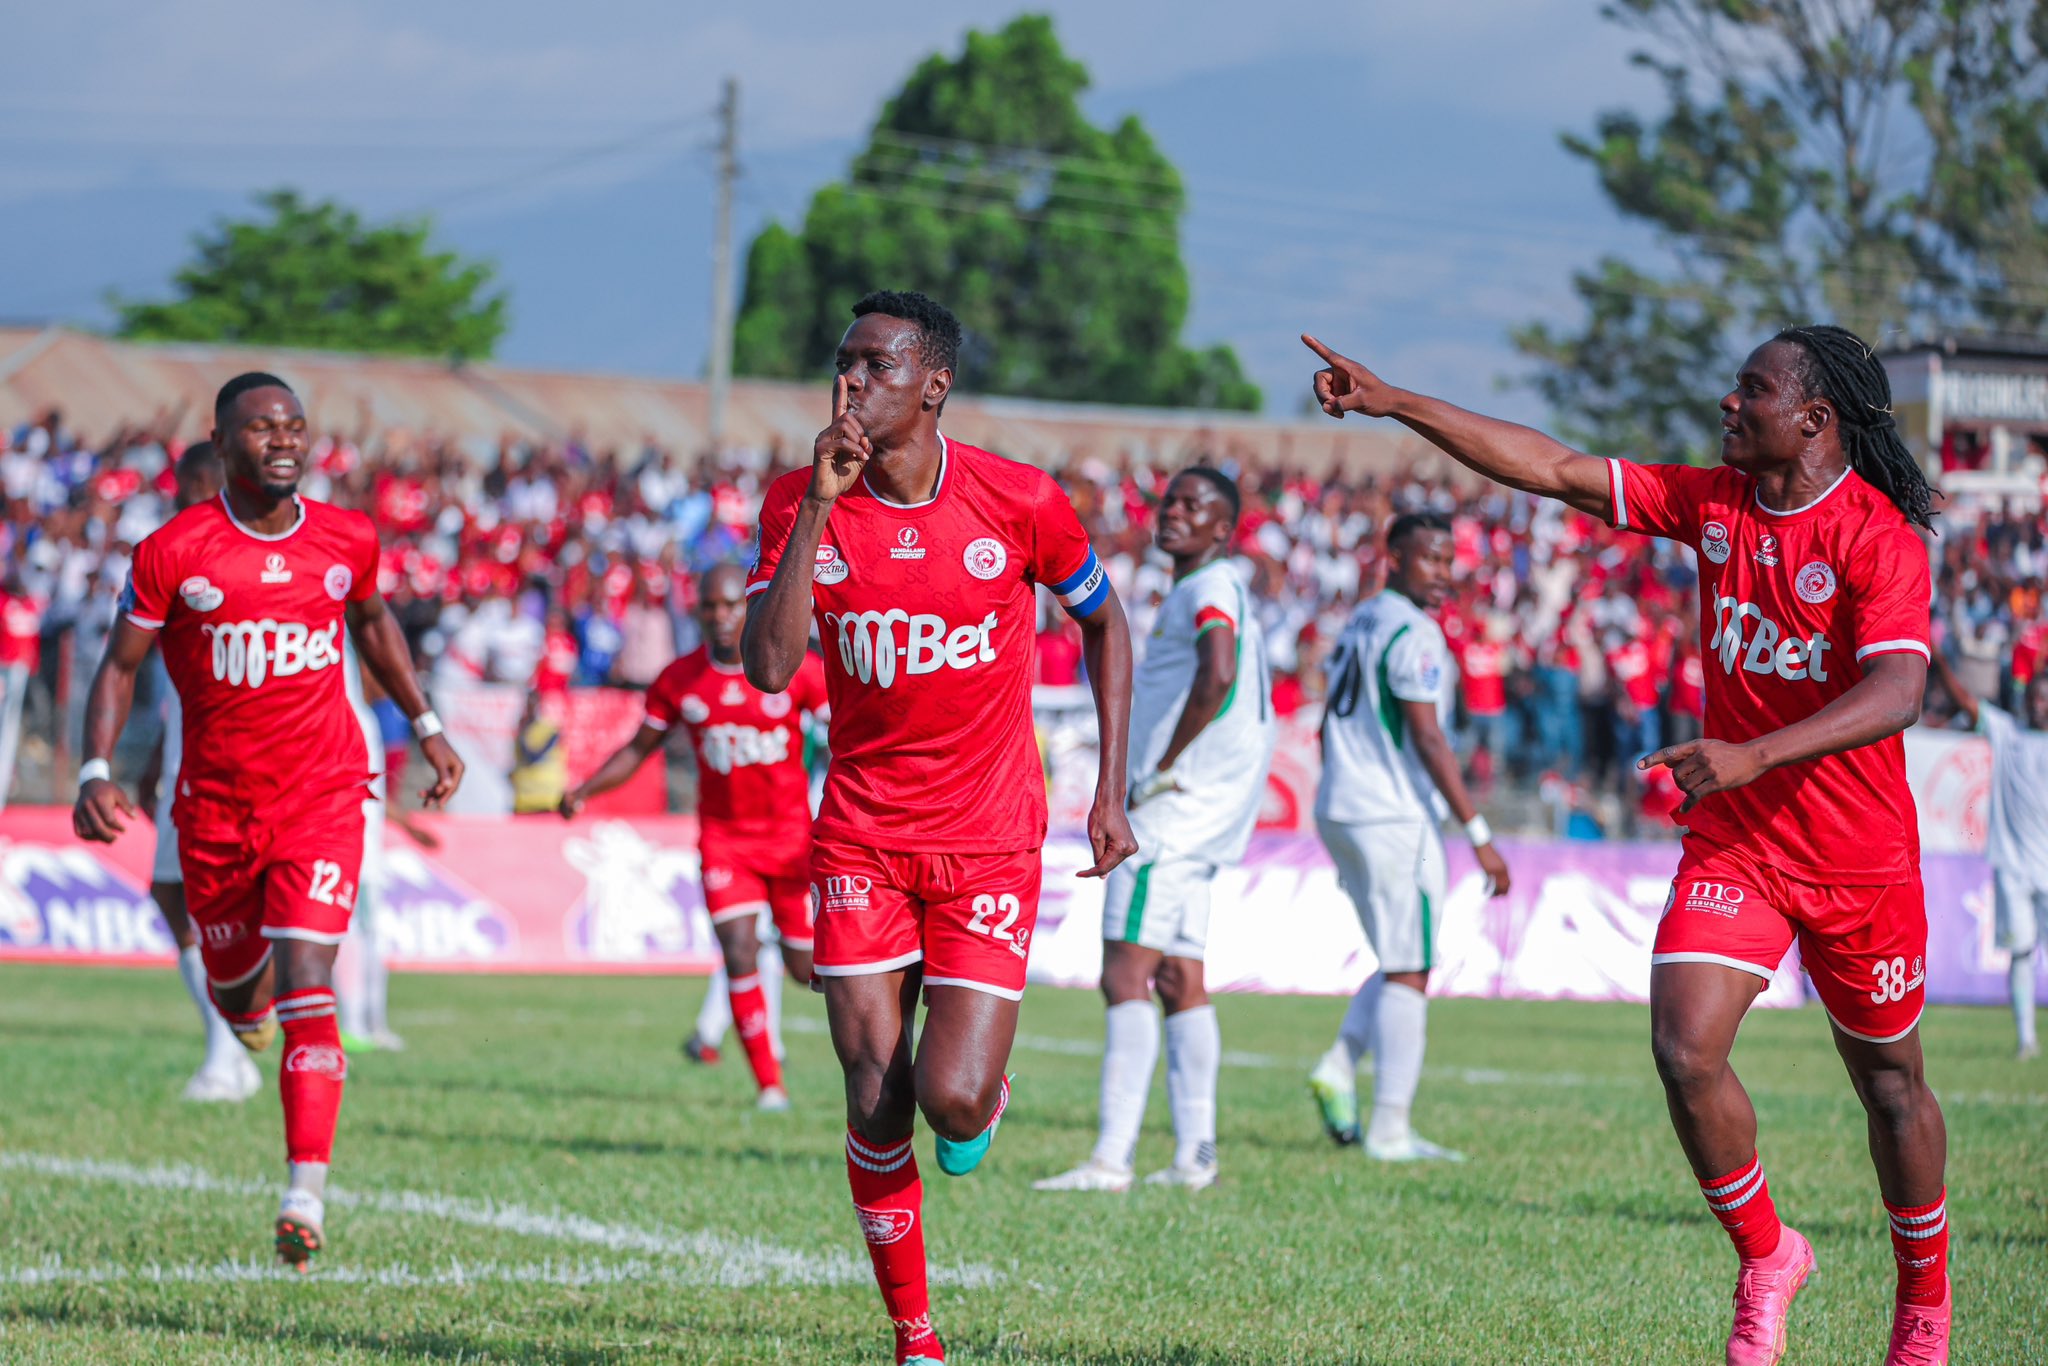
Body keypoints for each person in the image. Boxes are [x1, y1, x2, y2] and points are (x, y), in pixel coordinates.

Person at [1305, 324, 1952, 1364]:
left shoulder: (1876, 538)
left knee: (1888, 1086)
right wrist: (1398, 403)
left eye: (1751, 391)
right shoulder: (1712, 504)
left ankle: (1922, 1301)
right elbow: (1554, 467)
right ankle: (1767, 1253)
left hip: (1854, 855)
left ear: (1812, 419)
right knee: (1683, 1049)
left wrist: (1754, 752)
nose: (1727, 404)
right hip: (1738, 844)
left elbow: (1897, 690)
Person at [742, 290, 1136, 1366]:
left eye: (876, 364)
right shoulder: (793, 501)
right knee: (875, 1098)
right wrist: (819, 509)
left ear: (933, 382)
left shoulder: (1016, 498)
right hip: (860, 837)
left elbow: (1103, 621)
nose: (852, 380)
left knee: (950, 1103)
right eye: (843, 361)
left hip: (987, 837)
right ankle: (918, 1342)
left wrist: (1109, 789)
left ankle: (981, 1096)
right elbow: (769, 669)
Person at [73, 373, 464, 1271]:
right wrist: (97, 768)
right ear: (224, 440)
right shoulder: (174, 551)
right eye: (262, 429)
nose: (284, 441)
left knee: (308, 988)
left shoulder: (348, 537)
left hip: (323, 795)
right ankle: (239, 1019)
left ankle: (304, 1194)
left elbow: (374, 626)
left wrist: (429, 725)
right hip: (213, 810)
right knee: (241, 995)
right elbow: (118, 665)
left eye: (295, 426)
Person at [1034, 467, 1274, 1193]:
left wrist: (1164, 762)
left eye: (1195, 507)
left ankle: (1112, 1158)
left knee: (1124, 973)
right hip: (1205, 811)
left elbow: (1218, 672)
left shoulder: (1210, 588)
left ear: (1222, 529)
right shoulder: (1210, 586)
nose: (1175, 514)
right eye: (1171, 502)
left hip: (1174, 809)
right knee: (1178, 976)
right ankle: (1195, 1154)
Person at [562, 563, 826, 1109]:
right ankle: (769, 1085)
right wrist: (585, 789)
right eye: (710, 607)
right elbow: (639, 748)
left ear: (749, 607)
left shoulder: (795, 670)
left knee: (807, 971)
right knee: (737, 950)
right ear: (697, 612)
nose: (721, 616)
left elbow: (846, 736)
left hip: (793, 844)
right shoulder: (679, 679)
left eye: (731, 605)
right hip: (726, 842)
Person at [1307, 511, 1513, 1162]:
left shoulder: (1361, 619)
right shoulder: (1414, 632)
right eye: (1430, 559)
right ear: (1392, 557)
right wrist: (1477, 831)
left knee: (1403, 955)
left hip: (1342, 802)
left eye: (1449, 561)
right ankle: (1390, 1130)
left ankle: (1340, 1066)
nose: (1443, 575)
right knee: (1410, 969)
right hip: (1393, 814)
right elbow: (1427, 734)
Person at [135, 440, 258, 1102]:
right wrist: (155, 754)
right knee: (169, 895)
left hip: (222, 768)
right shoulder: (175, 557)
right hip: (181, 755)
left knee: (207, 905)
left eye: (188, 492)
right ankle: (228, 1047)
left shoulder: (226, 559)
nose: (178, 505)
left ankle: (226, 1055)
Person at [1929, 636, 2048, 1060]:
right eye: (2035, 697)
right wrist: (1938, 658)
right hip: (2014, 865)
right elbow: (1965, 701)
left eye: (2045, 699)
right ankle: (2026, 1040)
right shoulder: (2008, 733)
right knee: (2019, 949)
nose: (2039, 705)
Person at [510, 690, 565, 814]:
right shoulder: (521, 731)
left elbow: (532, 757)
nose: (529, 707)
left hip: (548, 799)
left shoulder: (550, 730)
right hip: (523, 800)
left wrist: (523, 732)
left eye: (532, 703)